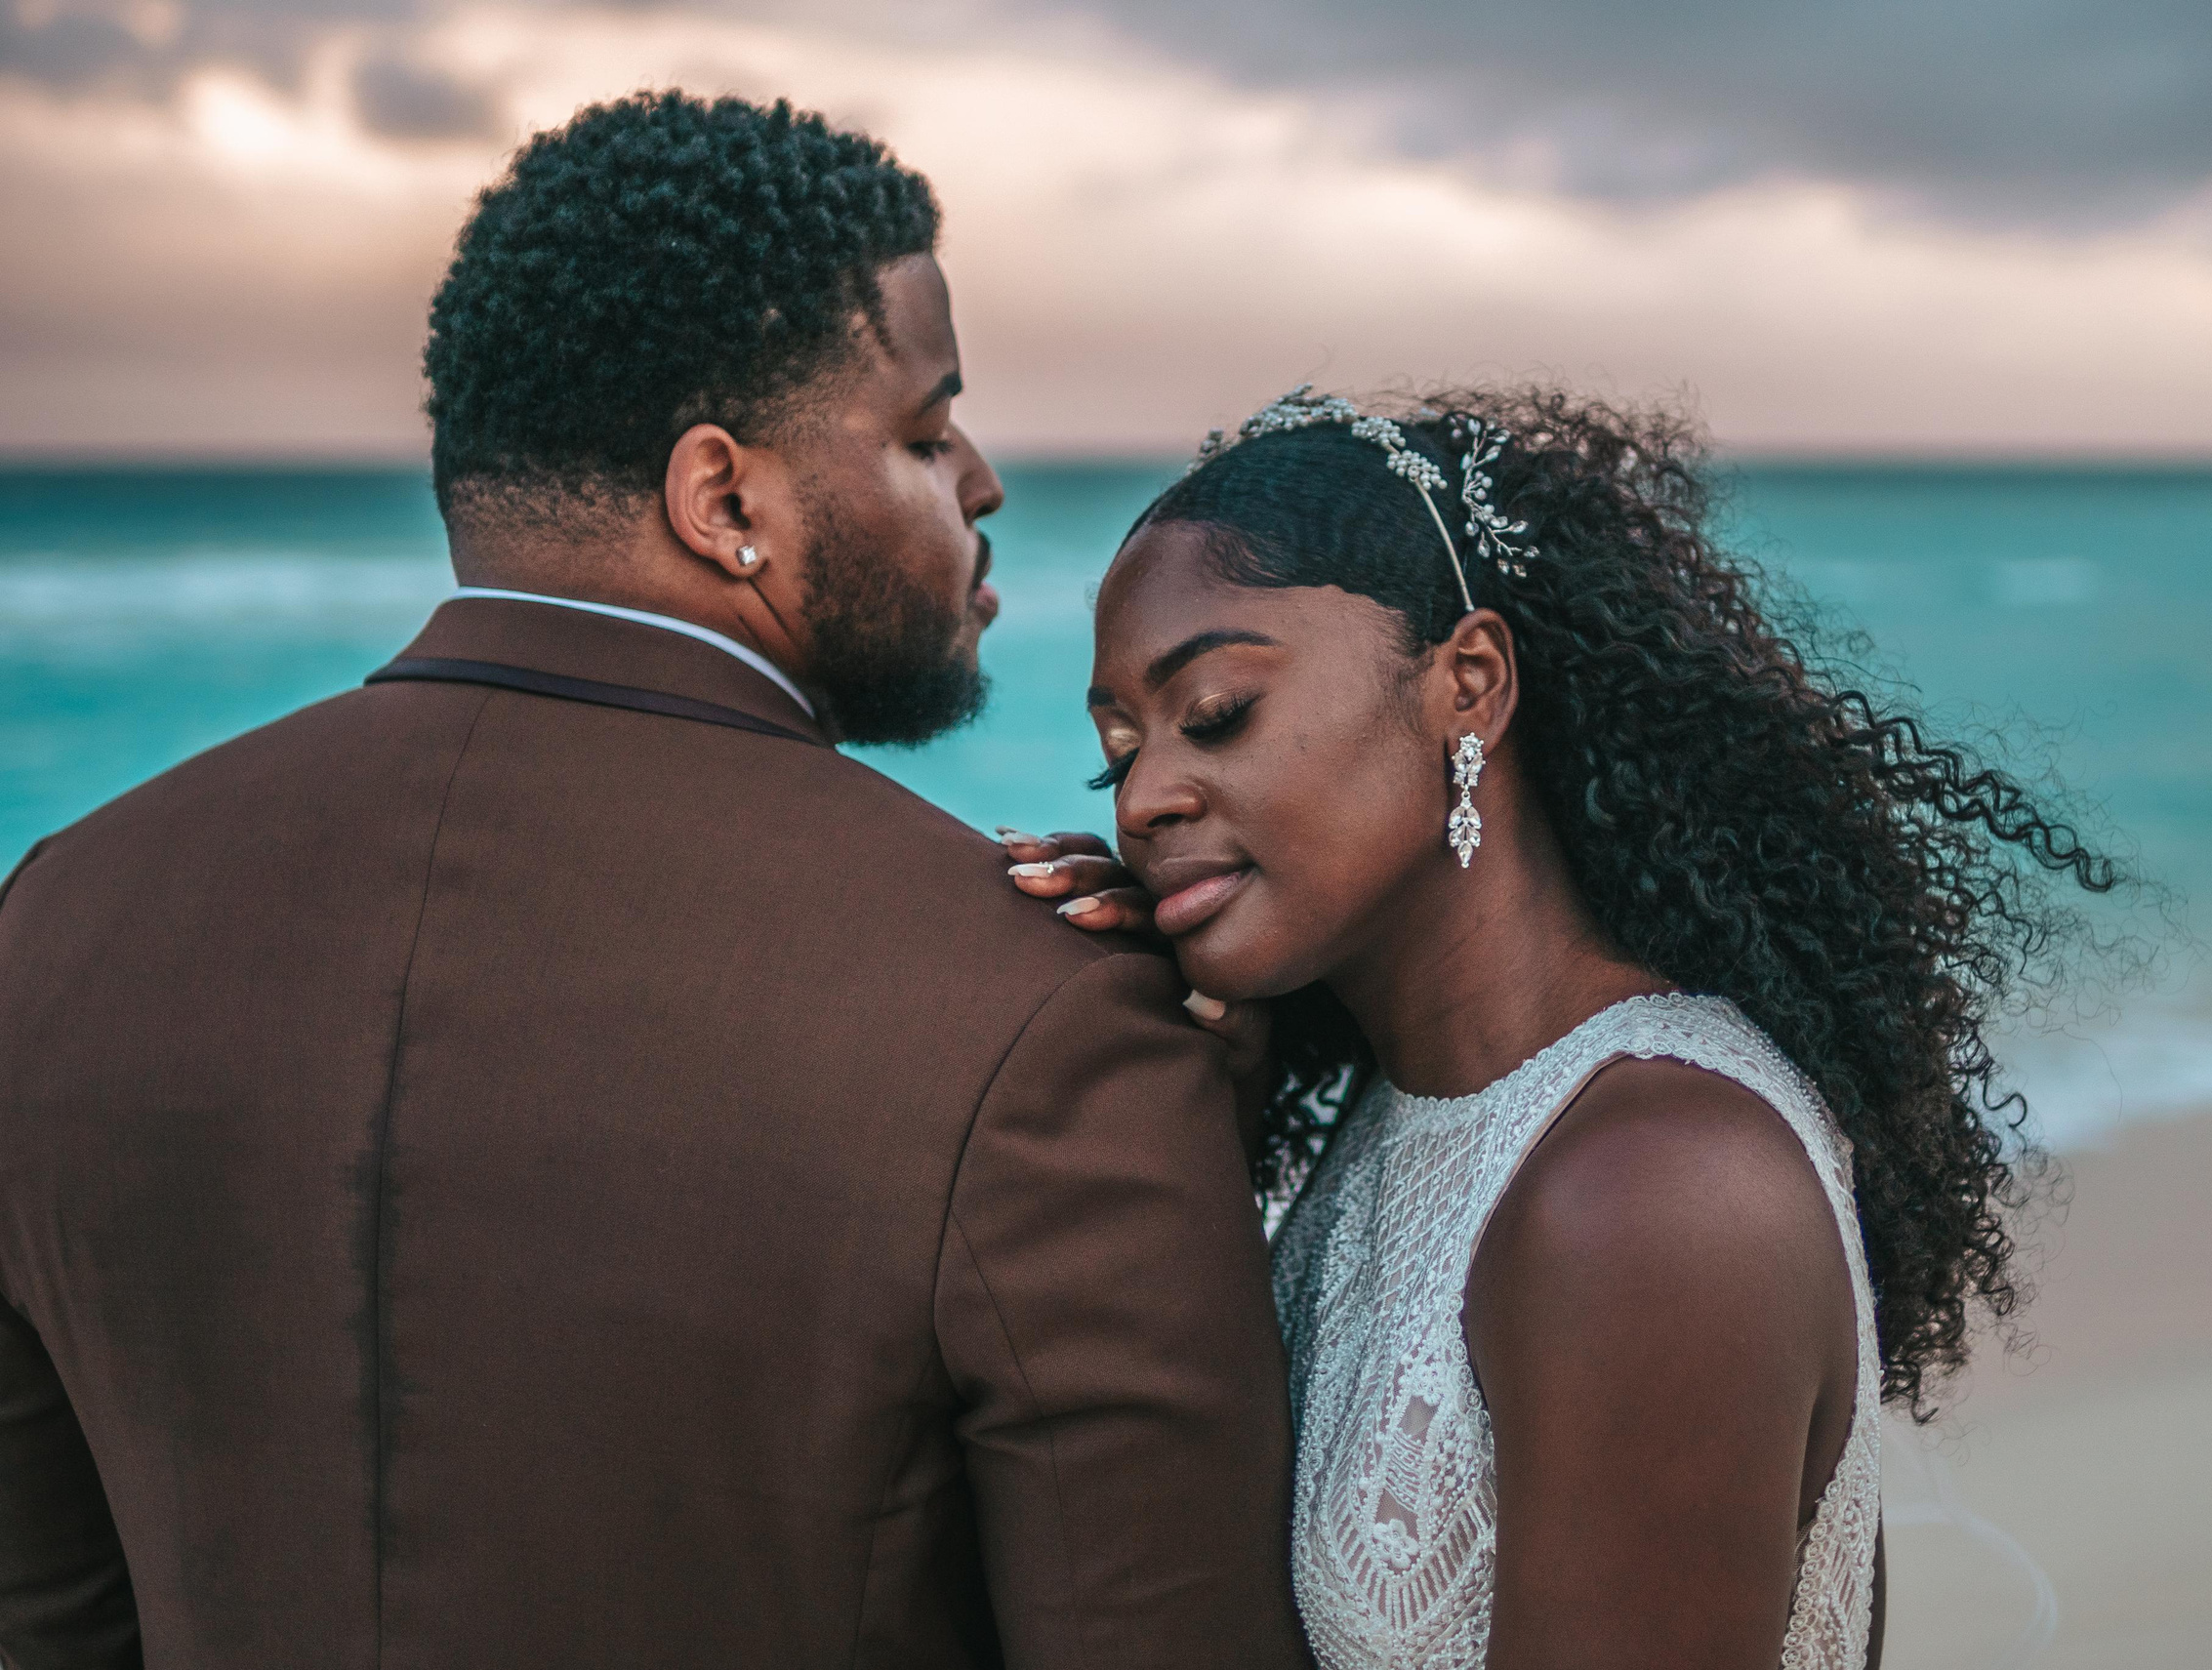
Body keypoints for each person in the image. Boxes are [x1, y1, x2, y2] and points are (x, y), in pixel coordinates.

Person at [0, 93, 1309, 1670]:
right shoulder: (1040, 1018)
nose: (980, 481)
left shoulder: (58, 924)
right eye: (920, 428)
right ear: (724, 501)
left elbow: (49, 1620)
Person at [1006, 386, 2122, 1668]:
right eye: (1116, 753)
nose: (1143, 799)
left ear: (1468, 686)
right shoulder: (1398, 1124)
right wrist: (1198, 1118)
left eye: (1215, 714)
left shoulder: (1652, 1190)